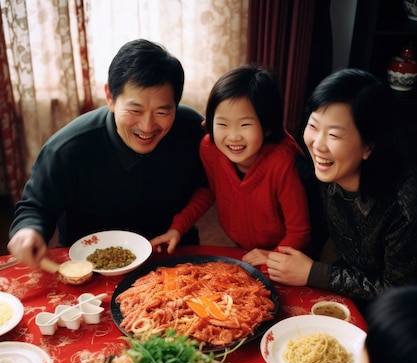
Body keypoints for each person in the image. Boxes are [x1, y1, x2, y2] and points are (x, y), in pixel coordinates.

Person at [7, 39, 212, 267]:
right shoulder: (68, 148)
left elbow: (207, 184)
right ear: (110, 97)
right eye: (135, 110)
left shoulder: (192, 129)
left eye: (163, 111)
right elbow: (36, 207)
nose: (147, 126)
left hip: (174, 255)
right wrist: (28, 231)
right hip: (91, 265)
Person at [266, 68, 417, 310]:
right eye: (313, 126)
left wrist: (316, 273)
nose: (318, 145)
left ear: (368, 146)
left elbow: (399, 290)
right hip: (352, 285)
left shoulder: (403, 207)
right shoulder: (325, 171)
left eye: (334, 135)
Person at [151, 65, 310, 267]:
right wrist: (178, 228)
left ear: (268, 126)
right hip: (244, 247)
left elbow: (299, 232)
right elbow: (209, 191)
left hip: (287, 253)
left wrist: (271, 259)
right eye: (223, 124)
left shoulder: (282, 161)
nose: (233, 136)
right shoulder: (210, 147)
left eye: (245, 125)